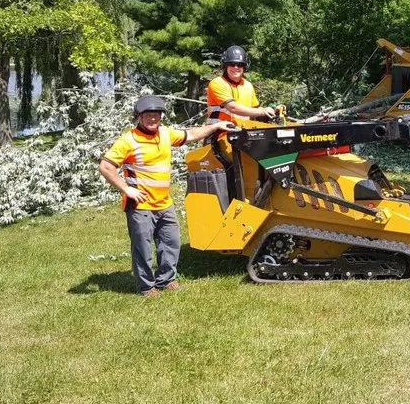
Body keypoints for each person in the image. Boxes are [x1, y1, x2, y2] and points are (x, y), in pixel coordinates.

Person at [99, 94, 237, 298]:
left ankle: (166, 280)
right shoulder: (128, 140)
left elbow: (191, 134)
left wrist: (216, 126)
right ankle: (147, 287)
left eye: (156, 114)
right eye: (148, 115)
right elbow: (105, 166)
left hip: (165, 203)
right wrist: (126, 189)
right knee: (143, 248)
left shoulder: (165, 134)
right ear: (138, 117)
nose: (153, 118)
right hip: (140, 206)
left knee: (170, 242)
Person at [206, 45, 277, 137]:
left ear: (245, 67)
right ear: (225, 66)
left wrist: (272, 111)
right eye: (232, 64)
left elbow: (255, 110)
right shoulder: (217, 83)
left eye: (240, 65)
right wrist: (262, 111)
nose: (236, 67)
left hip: (242, 136)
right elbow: (233, 108)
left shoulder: (248, 85)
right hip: (218, 136)